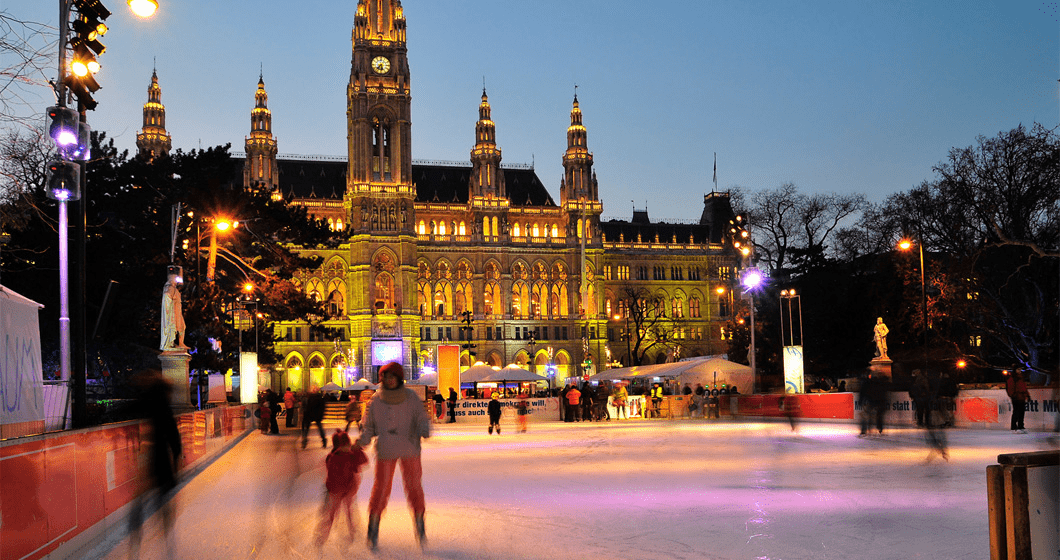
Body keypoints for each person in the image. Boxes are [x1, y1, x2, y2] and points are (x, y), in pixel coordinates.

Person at [356, 362, 431, 550]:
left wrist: (424, 428)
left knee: (414, 486)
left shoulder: (411, 397)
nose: (389, 381)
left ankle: (419, 520)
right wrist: (361, 441)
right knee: (381, 488)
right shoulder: (376, 400)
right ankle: (373, 524)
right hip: (386, 449)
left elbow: (421, 417)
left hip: (409, 447)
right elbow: (369, 426)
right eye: (386, 377)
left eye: (393, 377)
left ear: (399, 379)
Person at [314, 430, 368, 553]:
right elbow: (360, 464)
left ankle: (350, 533)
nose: (347, 447)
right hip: (339, 490)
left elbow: (363, 461)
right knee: (334, 513)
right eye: (345, 445)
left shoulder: (343, 456)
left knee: (345, 512)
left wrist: (358, 449)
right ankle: (323, 536)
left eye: (347, 445)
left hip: (344, 490)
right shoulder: (336, 457)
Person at [159, 270, 187, 351]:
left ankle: (181, 343)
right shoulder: (170, 288)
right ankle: (171, 344)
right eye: (175, 279)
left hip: (178, 311)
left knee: (182, 326)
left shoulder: (175, 289)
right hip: (173, 312)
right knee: (173, 328)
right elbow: (167, 296)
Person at [1006, 368, 1030, 434]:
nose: (1020, 371)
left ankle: (1020, 426)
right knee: (1016, 412)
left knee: (1022, 412)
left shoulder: (1021, 378)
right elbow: (1010, 387)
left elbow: (1024, 387)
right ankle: (1013, 427)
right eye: (1018, 369)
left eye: (1020, 369)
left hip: (1022, 397)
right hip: (1016, 397)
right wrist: (1013, 395)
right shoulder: (1012, 378)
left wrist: (1027, 395)